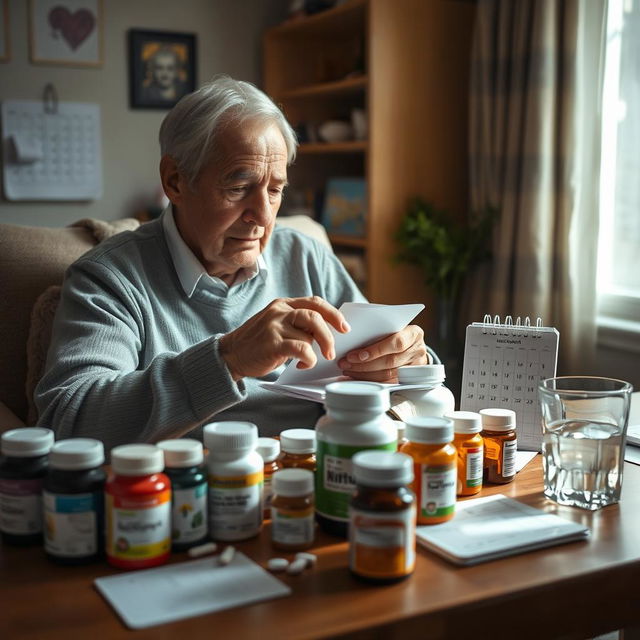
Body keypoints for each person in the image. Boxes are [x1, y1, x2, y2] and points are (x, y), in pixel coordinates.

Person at [35, 76, 433, 450]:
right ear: (175, 181)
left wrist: (409, 362)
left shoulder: (305, 255)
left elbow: (390, 369)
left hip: (316, 472)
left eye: (275, 190)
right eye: (239, 187)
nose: (262, 215)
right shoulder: (110, 278)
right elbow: (69, 420)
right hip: (193, 493)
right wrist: (229, 359)